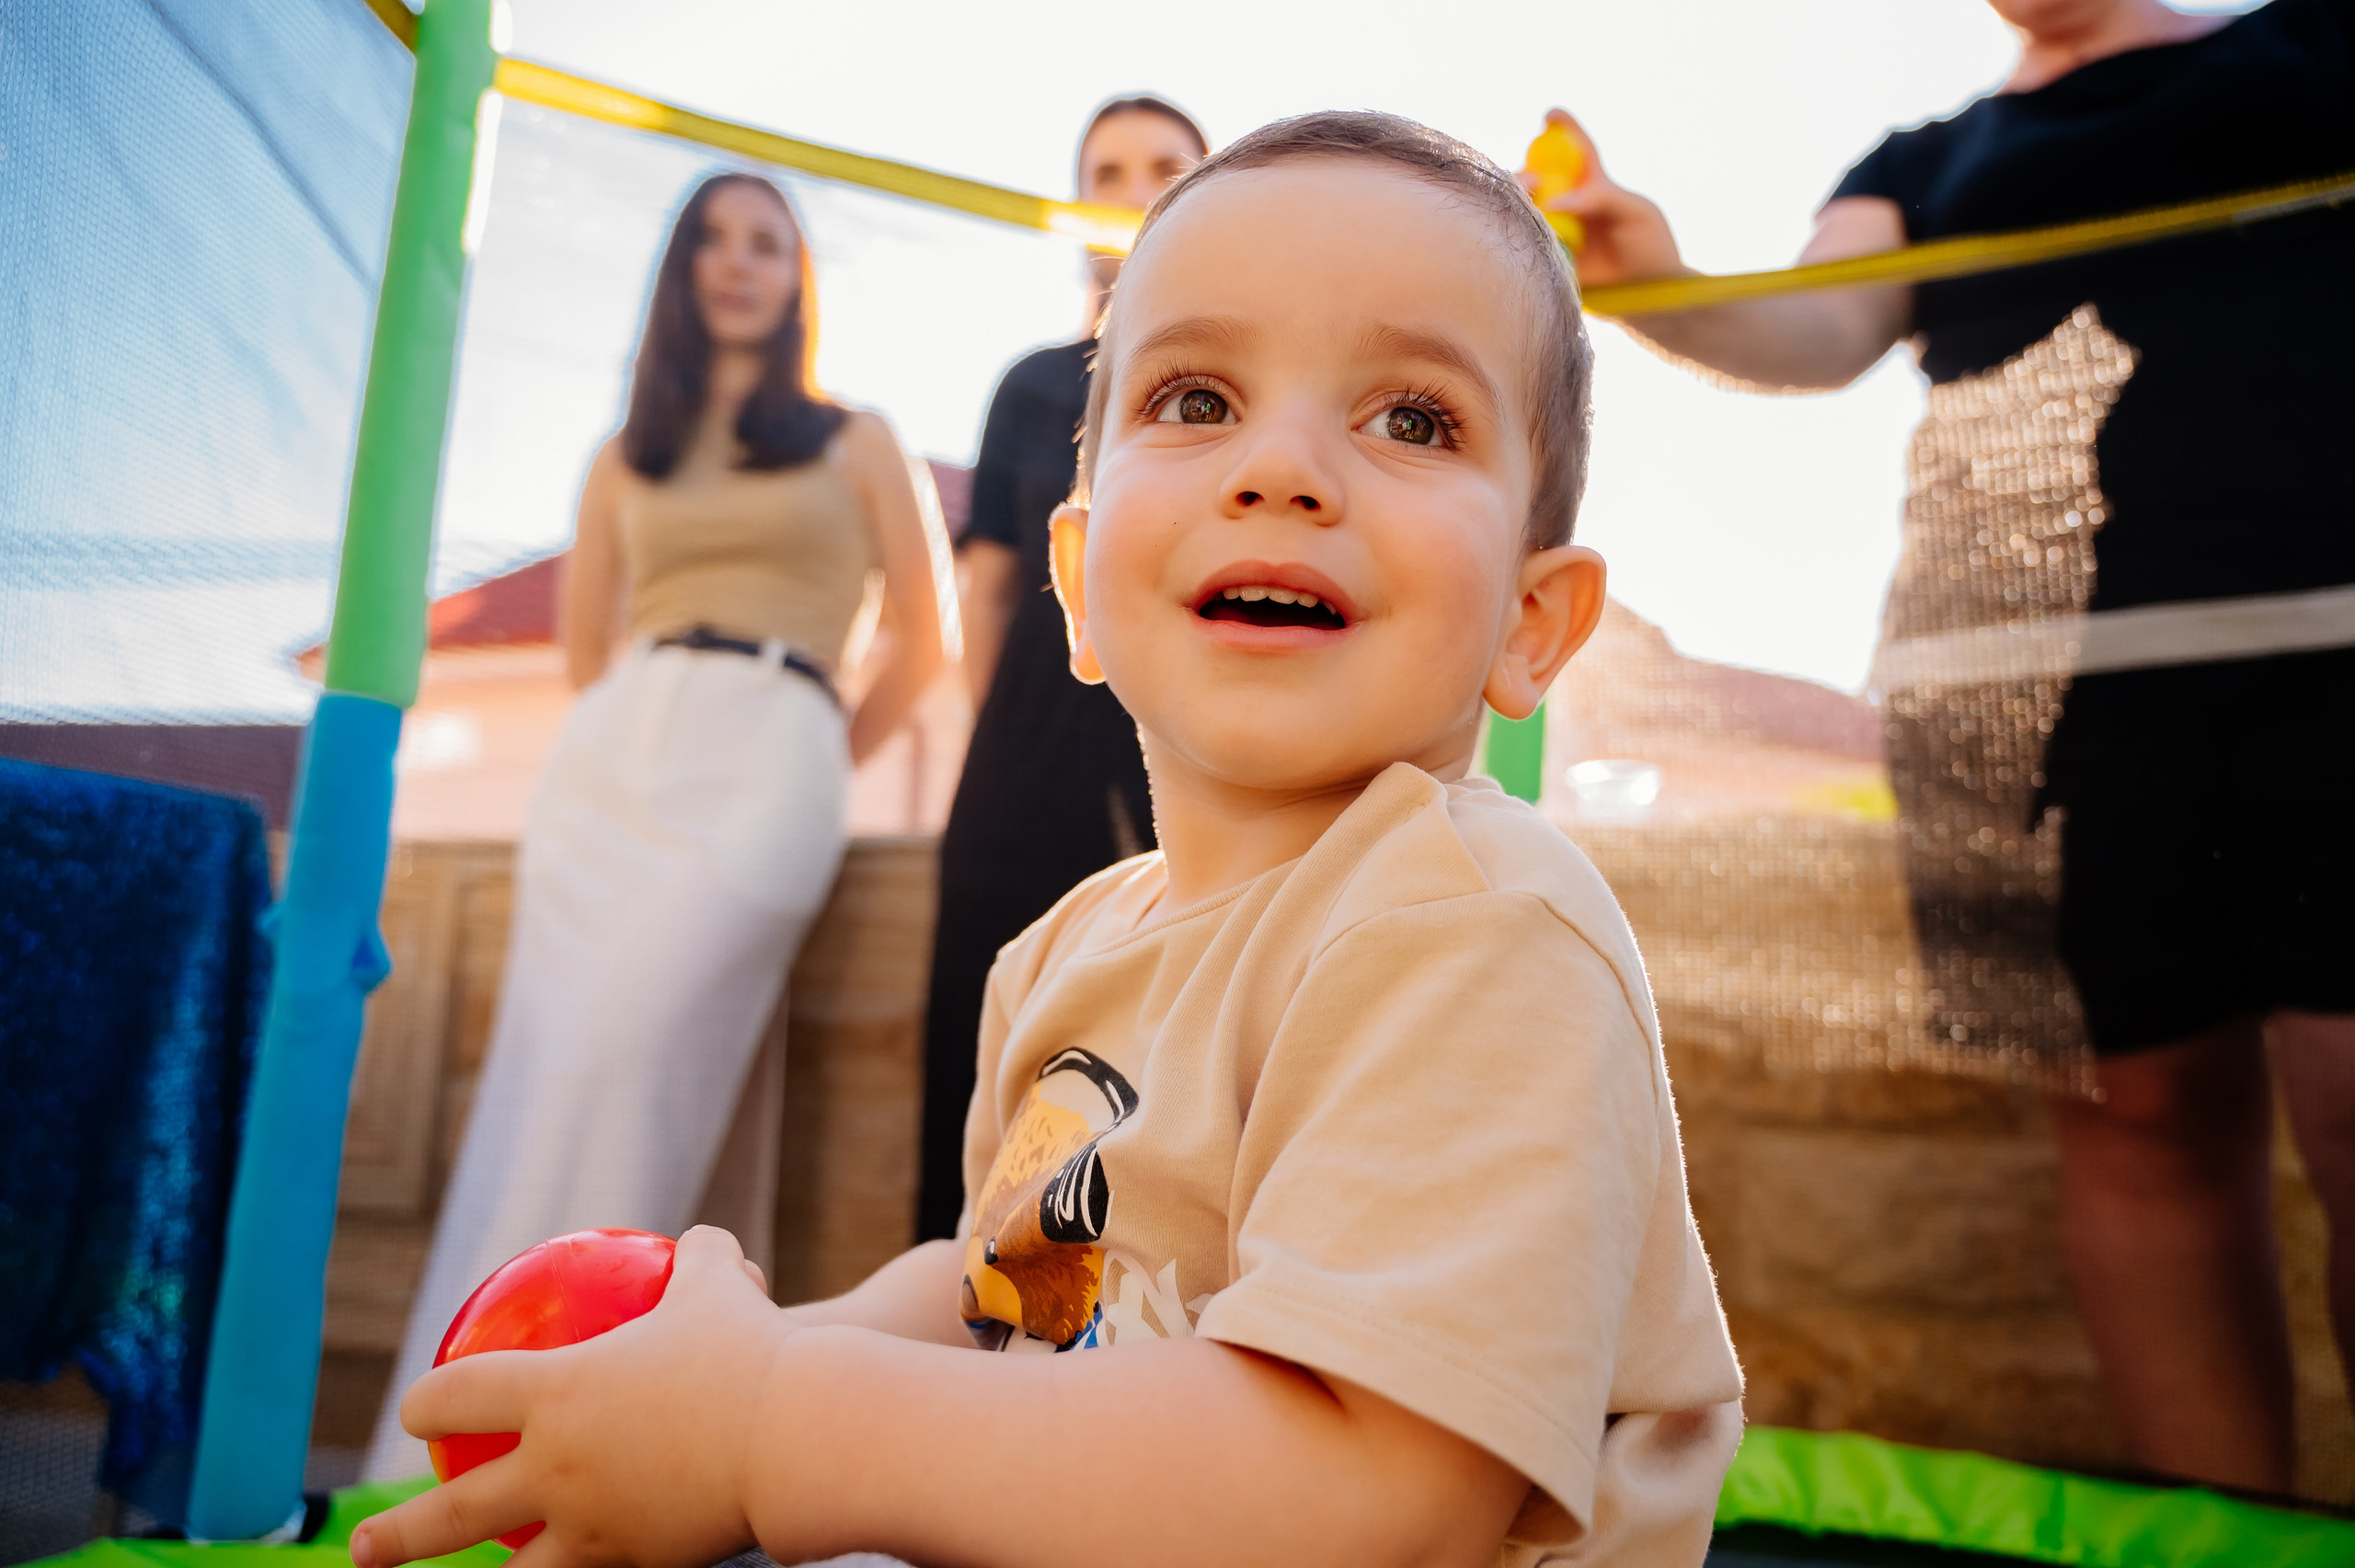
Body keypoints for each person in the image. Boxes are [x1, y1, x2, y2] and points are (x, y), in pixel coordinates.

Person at [350, 112, 1743, 1568]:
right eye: (1197, 398)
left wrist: (769, 1418)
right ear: (1077, 583)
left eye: (1411, 418)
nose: (1280, 466)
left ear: (1531, 625)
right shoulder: (1064, 956)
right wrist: (725, 1365)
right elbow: (1009, 1291)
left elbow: (1365, 1487)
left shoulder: (1480, 925)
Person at [1537, 0, 2355, 1493]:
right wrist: (1649, 281)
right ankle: (2224, 1542)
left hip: (2325, 648)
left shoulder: (2308, 47)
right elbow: (1813, 328)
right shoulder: (1923, 156)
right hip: (2007, 702)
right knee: (2134, 1128)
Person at [362, 173, 944, 1481]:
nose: (740, 266)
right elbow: (585, 652)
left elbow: (924, 637)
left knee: (638, 1065)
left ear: (802, 277)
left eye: (769, 244)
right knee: (548, 1076)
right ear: (679, 271)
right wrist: (647, 740)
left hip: (776, 755)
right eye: (714, 243)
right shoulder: (624, 456)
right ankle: (463, 1431)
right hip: (617, 769)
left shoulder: (858, 439)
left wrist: (810, 752)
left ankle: (594, 1434)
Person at [914, 96, 1209, 1243]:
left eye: (1165, 168)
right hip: (1023, 758)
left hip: (1177, 754)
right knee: (985, 1064)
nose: (1132, 190)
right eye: (1108, 169)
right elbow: (991, 585)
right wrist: (1000, 747)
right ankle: (958, 1340)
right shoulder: (1031, 384)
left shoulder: (1235, 391)